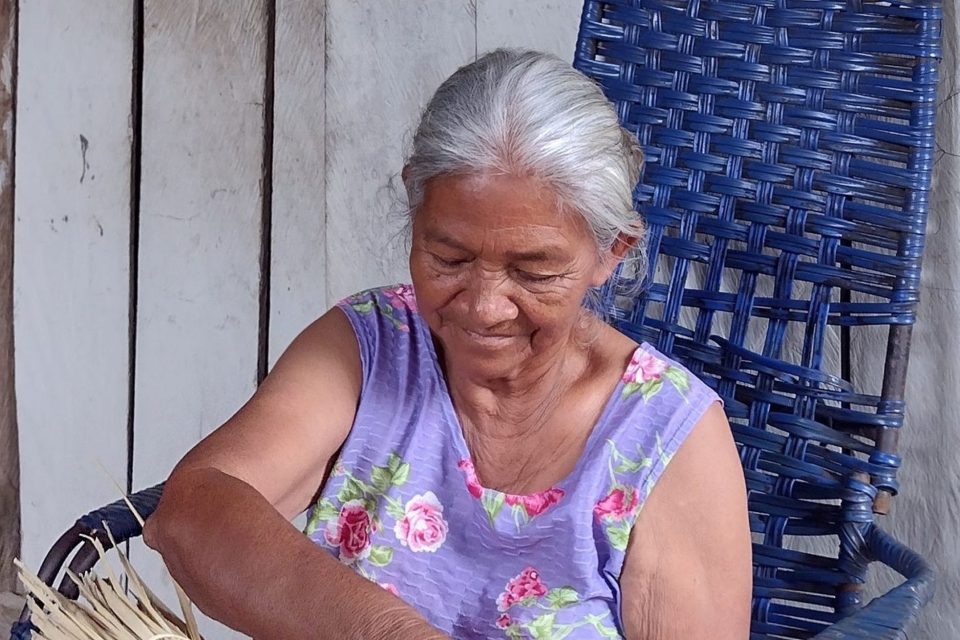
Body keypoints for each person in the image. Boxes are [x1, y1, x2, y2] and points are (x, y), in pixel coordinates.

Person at [144, 49, 751, 639]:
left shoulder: (666, 435)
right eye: (449, 257)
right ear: (415, 209)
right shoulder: (374, 347)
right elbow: (195, 510)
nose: (484, 307)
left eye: (534, 272)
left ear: (609, 252)